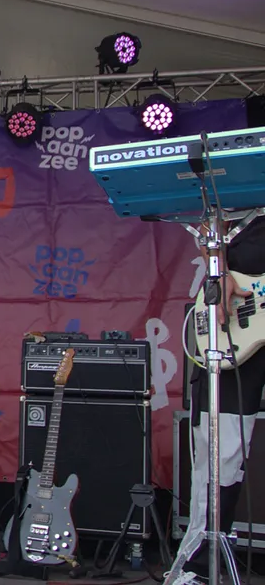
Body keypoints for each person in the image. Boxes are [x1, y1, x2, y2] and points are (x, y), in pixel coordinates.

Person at [171, 215, 264, 584]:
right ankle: (199, 564)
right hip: (237, 313)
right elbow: (211, 223)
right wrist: (219, 268)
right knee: (220, 449)